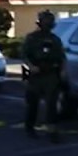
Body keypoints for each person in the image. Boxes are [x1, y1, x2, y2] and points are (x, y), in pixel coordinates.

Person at [22, 10, 66, 143]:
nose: (48, 25)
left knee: (51, 104)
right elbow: (25, 56)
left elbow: (62, 58)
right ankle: (30, 127)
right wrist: (30, 68)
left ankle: (52, 131)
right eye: (46, 22)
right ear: (40, 23)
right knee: (32, 103)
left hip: (51, 74)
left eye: (50, 22)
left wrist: (62, 72)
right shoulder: (31, 38)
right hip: (35, 74)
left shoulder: (55, 39)